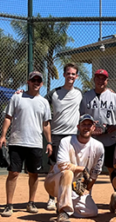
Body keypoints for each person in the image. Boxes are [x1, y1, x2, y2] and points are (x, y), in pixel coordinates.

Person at [0, 71, 52, 217]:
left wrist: (49, 142)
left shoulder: (44, 102)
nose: (36, 82)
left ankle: (31, 202)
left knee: (33, 174)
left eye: (39, 80)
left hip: (35, 143)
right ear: (28, 82)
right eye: (33, 80)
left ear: (41, 83)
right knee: (13, 173)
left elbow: (46, 124)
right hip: (17, 141)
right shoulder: (17, 97)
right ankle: (9, 205)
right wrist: (3, 136)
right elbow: (8, 117)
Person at [44, 114, 104, 222]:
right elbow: (62, 165)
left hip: (75, 188)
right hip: (54, 183)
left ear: (93, 128)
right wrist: (81, 169)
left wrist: (87, 189)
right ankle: (63, 212)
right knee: (68, 173)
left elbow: (96, 171)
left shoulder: (98, 146)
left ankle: (64, 203)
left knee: (92, 212)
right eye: (83, 124)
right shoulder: (66, 141)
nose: (86, 127)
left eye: (89, 125)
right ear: (78, 127)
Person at [43, 63, 82, 211]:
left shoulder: (79, 93)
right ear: (64, 75)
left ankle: (68, 196)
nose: (71, 76)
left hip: (73, 136)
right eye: (68, 73)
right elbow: (39, 101)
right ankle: (51, 198)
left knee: (70, 167)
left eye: (73, 74)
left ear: (76, 76)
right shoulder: (54, 93)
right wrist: (22, 93)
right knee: (54, 167)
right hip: (57, 135)